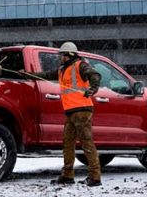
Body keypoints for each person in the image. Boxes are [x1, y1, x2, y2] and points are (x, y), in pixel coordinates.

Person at [33, 42, 102, 187]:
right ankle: (67, 175)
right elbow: (46, 75)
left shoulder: (80, 65)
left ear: (69, 55)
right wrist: (29, 75)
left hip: (82, 110)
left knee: (86, 143)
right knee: (68, 143)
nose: (60, 58)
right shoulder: (62, 70)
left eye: (62, 55)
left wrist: (93, 88)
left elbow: (94, 74)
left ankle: (95, 177)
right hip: (71, 112)